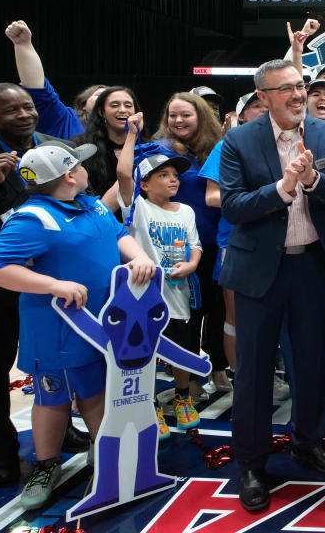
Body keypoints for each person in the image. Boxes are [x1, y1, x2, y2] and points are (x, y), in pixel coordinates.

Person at [0, 141, 154, 508]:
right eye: (79, 164)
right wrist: (53, 285)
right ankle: (46, 465)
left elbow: (118, 234)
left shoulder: (92, 203)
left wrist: (139, 257)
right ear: (69, 174)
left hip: (101, 324)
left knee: (96, 391)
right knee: (53, 398)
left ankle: (105, 456)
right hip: (55, 331)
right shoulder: (33, 218)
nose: (84, 169)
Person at [219, 59, 325, 513]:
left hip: (312, 265)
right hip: (259, 272)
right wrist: (283, 186)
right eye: (286, 89)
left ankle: (307, 442)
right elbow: (234, 208)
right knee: (254, 372)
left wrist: (313, 180)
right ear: (263, 97)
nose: (298, 95)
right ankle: (253, 464)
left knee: (310, 362)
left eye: (300, 86)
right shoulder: (238, 139)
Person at [0, 81, 85, 488]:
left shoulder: (52, 145)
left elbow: (78, 200)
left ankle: (61, 431)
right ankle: (4, 453)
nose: (25, 115)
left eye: (28, 106)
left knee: (55, 362)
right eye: (12, 110)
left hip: (51, 281)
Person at [117, 112, 203, 433]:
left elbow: (195, 245)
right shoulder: (136, 207)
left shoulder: (187, 211)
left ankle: (182, 397)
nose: (173, 179)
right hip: (144, 298)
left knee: (181, 351)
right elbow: (123, 173)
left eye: (175, 175)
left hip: (179, 296)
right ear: (144, 184)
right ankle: (148, 403)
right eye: (163, 174)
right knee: (147, 353)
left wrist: (193, 264)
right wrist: (131, 135)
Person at [153, 92, 228, 394]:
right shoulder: (160, 150)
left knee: (218, 308)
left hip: (215, 239)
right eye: (173, 115)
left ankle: (219, 367)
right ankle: (190, 375)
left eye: (186, 114)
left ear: (201, 116)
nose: (178, 121)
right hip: (176, 246)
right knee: (188, 313)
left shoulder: (219, 148)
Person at [201, 92, 270, 378]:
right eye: (255, 106)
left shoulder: (282, 144)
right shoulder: (226, 145)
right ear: (241, 115)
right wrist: (261, 198)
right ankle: (242, 381)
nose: (263, 110)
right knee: (236, 319)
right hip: (237, 243)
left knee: (269, 318)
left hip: (276, 244)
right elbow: (212, 196)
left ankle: (263, 376)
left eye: (267, 106)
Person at [4, 20, 85, 141]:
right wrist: (23, 45)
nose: (122, 109)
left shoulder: (123, 133)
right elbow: (38, 92)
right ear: (84, 106)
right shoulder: (65, 122)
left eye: (125, 104)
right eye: (113, 103)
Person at [75, 86, 140, 202]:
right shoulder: (81, 146)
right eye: (114, 105)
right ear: (101, 112)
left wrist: (133, 135)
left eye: (128, 105)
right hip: (93, 215)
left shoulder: (147, 146)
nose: (122, 110)